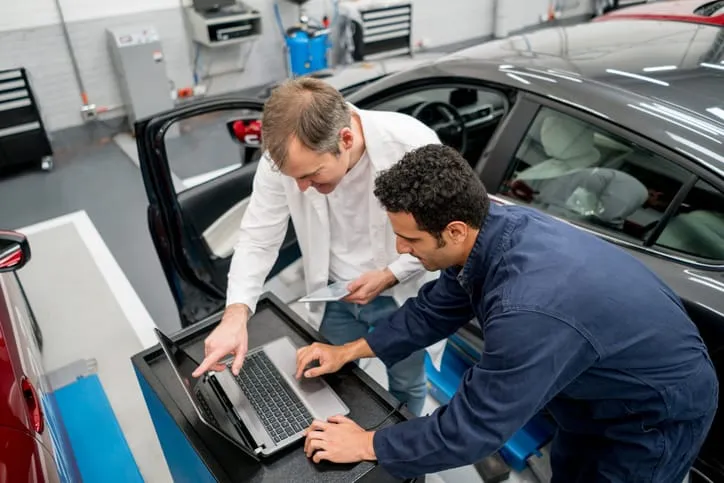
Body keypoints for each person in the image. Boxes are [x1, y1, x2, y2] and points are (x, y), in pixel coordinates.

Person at [297, 144, 719, 481]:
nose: (400, 250)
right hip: (594, 399)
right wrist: (349, 351)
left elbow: (473, 428)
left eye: (410, 239)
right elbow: (437, 308)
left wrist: (368, 444)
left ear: (455, 231)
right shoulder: (493, 230)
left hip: (651, 416)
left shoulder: (528, 310)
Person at [191, 77, 442, 416]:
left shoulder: (412, 146)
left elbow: (439, 238)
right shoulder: (281, 161)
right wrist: (235, 315)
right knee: (332, 376)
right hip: (334, 294)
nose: (302, 188)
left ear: (346, 139)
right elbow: (257, 236)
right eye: (294, 178)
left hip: (402, 294)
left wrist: (390, 275)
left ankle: (410, 451)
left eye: (312, 176)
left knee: (406, 381)